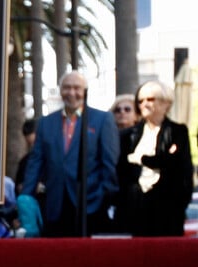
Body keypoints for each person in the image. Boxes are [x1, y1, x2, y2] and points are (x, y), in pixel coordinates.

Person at [21, 71, 119, 237]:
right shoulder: (46, 123)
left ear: (85, 91)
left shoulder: (102, 119)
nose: (72, 93)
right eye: (67, 88)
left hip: (90, 201)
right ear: (60, 90)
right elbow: (36, 161)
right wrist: (25, 197)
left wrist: (105, 194)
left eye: (77, 88)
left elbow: (109, 161)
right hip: (55, 203)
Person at [115, 80, 193, 237]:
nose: (144, 104)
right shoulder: (128, 135)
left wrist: (141, 159)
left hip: (168, 211)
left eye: (150, 99)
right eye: (141, 100)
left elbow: (179, 167)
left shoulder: (177, 132)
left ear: (166, 103)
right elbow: (121, 171)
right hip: (134, 210)